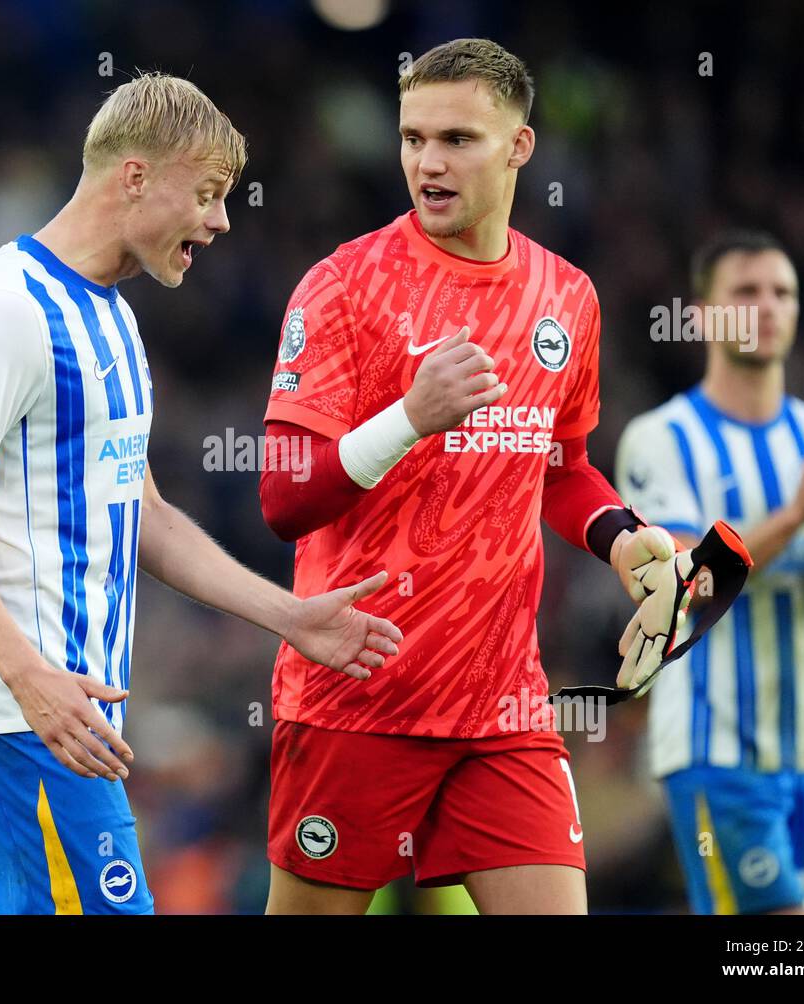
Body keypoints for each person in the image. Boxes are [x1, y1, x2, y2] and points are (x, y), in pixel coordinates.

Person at [0, 72, 403, 915]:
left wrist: (290, 616)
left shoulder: (116, 320)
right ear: (135, 176)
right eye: (206, 193)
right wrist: (31, 678)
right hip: (32, 718)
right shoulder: (5, 306)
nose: (221, 219)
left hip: (60, 713)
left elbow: (147, 517)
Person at [258, 38, 683, 915]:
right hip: (357, 695)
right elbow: (284, 499)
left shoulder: (566, 297)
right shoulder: (343, 286)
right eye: (413, 138)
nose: (427, 162)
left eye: (457, 139)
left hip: (503, 706)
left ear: (520, 148)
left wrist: (620, 536)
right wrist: (410, 417)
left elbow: (560, 467)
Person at [615, 230, 804, 914]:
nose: (767, 307)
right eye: (746, 292)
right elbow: (686, 582)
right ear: (705, 314)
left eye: (783, 293)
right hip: (717, 750)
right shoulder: (661, 438)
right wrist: (798, 509)